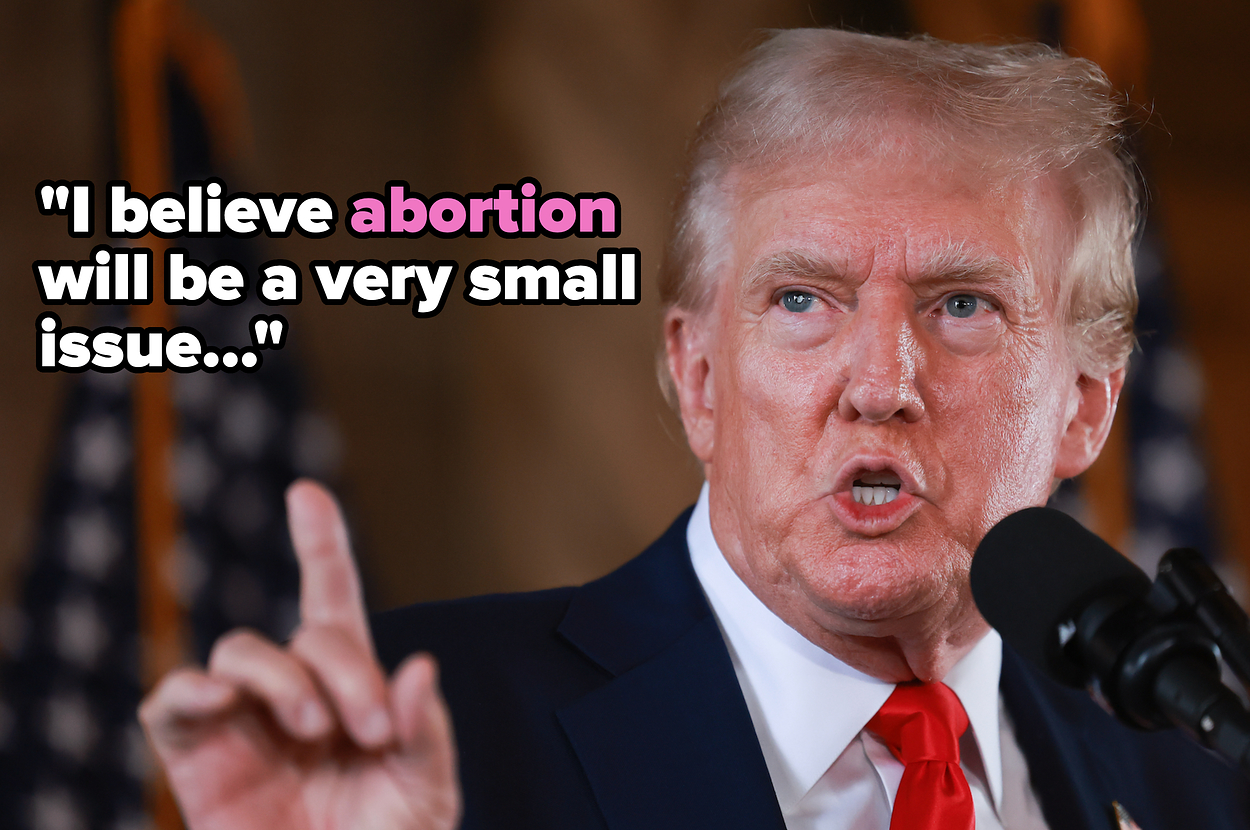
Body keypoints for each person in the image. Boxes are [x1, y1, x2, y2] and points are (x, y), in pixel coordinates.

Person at [139, 29, 1249, 830]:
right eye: (802, 300)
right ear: (698, 375)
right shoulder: (429, 726)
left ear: (1086, 407)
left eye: (961, 305)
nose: (878, 381)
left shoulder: (1193, 781)